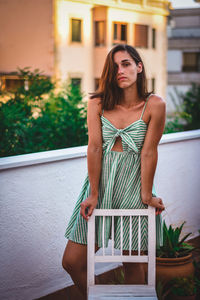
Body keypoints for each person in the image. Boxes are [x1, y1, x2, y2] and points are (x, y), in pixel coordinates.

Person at [62, 44, 165, 298]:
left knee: (132, 265)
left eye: (126, 64)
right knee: (72, 261)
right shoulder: (97, 104)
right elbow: (95, 148)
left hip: (134, 187)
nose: (120, 70)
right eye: (115, 66)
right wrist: (94, 193)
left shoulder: (155, 105)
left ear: (139, 67)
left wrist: (146, 196)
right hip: (101, 186)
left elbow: (149, 152)